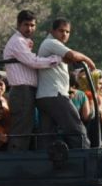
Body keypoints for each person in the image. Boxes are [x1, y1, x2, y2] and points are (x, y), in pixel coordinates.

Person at [2, 10, 62, 151]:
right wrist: (56, 59)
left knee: (29, 128)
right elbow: (33, 62)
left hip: (28, 91)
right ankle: (16, 164)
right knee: (21, 130)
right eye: (26, 25)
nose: (29, 28)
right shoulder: (17, 41)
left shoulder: (24, 42)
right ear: (18, 25)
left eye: (32, 25)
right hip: (21, 91)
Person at [35, 18, 96, 149]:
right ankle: (86, 160)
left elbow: (69, 58)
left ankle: (47, 166)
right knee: (77, 130)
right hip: (54, 95)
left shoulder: (54, 46)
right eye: (61, 31)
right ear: (52, 31)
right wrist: (88, 60)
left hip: (45, 96)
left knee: (47, 136)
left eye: (67, 32)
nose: (64, 34)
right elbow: (73, 55)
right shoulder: (51, 42)